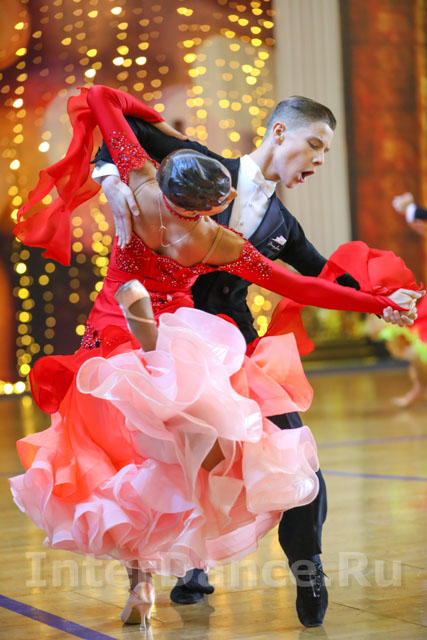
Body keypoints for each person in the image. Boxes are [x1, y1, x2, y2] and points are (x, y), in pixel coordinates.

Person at [11, 85, 421, 632]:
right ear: (280, 132)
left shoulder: (196, 202)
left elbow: (317, 276)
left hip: (213, 346)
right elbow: (116, 127)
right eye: (316, 145)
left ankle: (304, 568)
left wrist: (378, 300)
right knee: (153, 458)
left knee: (286, 455)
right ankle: (186, 567)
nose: (320, 159)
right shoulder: (207, 204)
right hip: (171, 343)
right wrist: (108, 176)